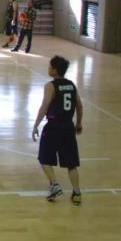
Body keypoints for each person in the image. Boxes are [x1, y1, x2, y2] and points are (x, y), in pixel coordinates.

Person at [32, 56, 84, 205]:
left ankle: (54, 185)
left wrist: (36, 124)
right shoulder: (71, 85)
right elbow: (79, 105)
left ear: (55, 70)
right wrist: (78, 124)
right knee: (71, 163)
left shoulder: (50, 86)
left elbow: (45, 105)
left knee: (44, 158)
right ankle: (77, 193)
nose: (48, 69)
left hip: (53, 127)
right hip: (68, 127)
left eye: (50, 67)